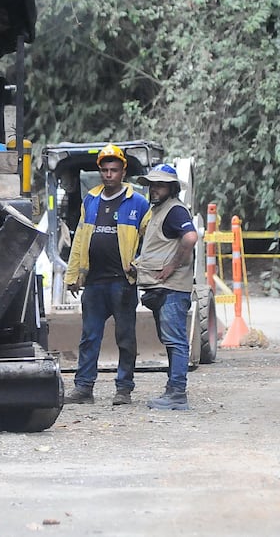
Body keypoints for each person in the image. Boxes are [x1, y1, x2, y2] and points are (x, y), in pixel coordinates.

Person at [63, 144, 150, 405]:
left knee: (125, 337)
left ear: (123, 171)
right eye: (104, 170)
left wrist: (141, 266)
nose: (109, 174)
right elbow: (80, 238)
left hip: (122, 282)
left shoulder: (138, 202)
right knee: (89, 336)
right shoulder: (90, 199)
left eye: (114, 169)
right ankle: (84, 388)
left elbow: (151, 240)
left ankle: (123, 389)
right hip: (94, 282)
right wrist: (73, 274)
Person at [131, 163, 199, 410]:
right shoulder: (159, 211)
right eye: (152, 185)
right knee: (171, 340)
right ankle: (173, 389)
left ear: (171, 188)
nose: (154, 189)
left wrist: (171, 266)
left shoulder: (175, 211)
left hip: (172, 288)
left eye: (160, 185)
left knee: (176, 341)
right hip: (163, 288)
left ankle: (177, 393)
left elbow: (190, 238)